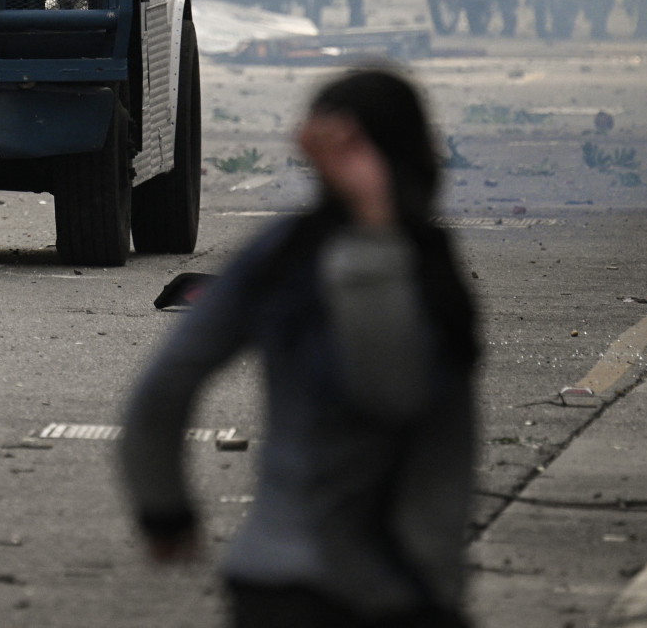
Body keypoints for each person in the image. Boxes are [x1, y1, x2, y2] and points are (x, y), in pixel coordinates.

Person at [120, 69, 478, 628]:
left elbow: (163, 390)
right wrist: (376, 232)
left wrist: (163, 511)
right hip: (394, 590)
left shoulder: (279, 255)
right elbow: (393, 391)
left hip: (271, 578)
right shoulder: (421, 269)